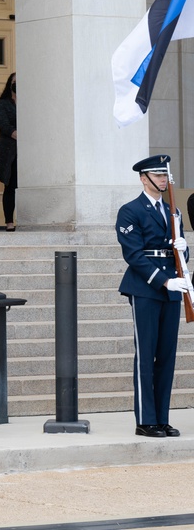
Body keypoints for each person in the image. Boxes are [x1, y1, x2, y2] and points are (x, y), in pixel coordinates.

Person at [116, 154, 191, 438]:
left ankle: (162, 418)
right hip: (146, 288)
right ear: (143, 178)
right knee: (146, 356)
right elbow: (133, 255)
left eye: (164, 175)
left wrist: (184, 251)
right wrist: (163, 281)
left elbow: (178, 250)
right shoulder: (131, 211)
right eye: (157, 176)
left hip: (173, 287)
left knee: (167, 357)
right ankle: (145, 420)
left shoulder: (173, 211)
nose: (163, 179)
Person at [0, 72, 17, 231]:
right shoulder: (3, 103)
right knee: (10, 185)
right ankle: (9, 221)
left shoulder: (30, 104)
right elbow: (3, 123)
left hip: (26, 151)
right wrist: (14, 133)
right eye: (15, 82)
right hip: (9, 150)